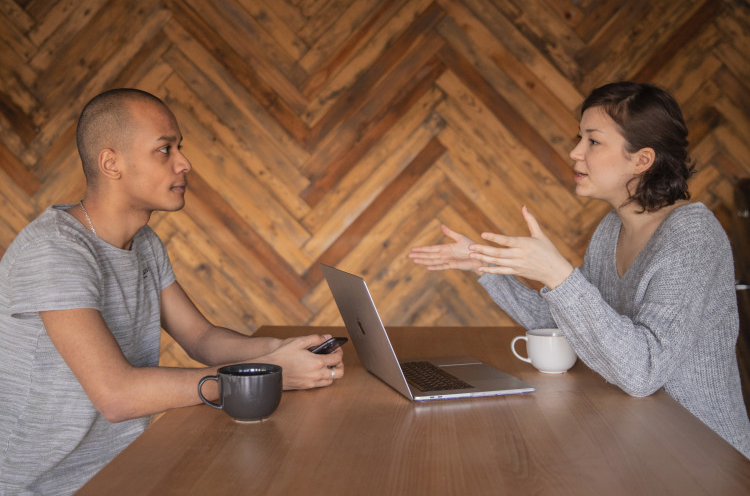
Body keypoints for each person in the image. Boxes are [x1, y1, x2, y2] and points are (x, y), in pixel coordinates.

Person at [0, 88, 345, 494]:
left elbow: (202, 339)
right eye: (165, 149)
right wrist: (266, 377)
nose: (184, 163)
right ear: (111, 163)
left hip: (123, 473)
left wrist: (284, 350)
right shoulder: (54, 251)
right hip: (43, 488)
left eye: (179, 147)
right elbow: (117, 396)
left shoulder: (143, 243)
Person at [409, 82, 750, 458]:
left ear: (642, 160)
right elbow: (570, 327)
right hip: (636, 438)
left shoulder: (692, 237)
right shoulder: (610, 231)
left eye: (593, 141)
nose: (575, 152)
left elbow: (644, 372)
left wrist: (559, 275)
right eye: (579, 138)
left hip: (701, 456)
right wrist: (486, 268)